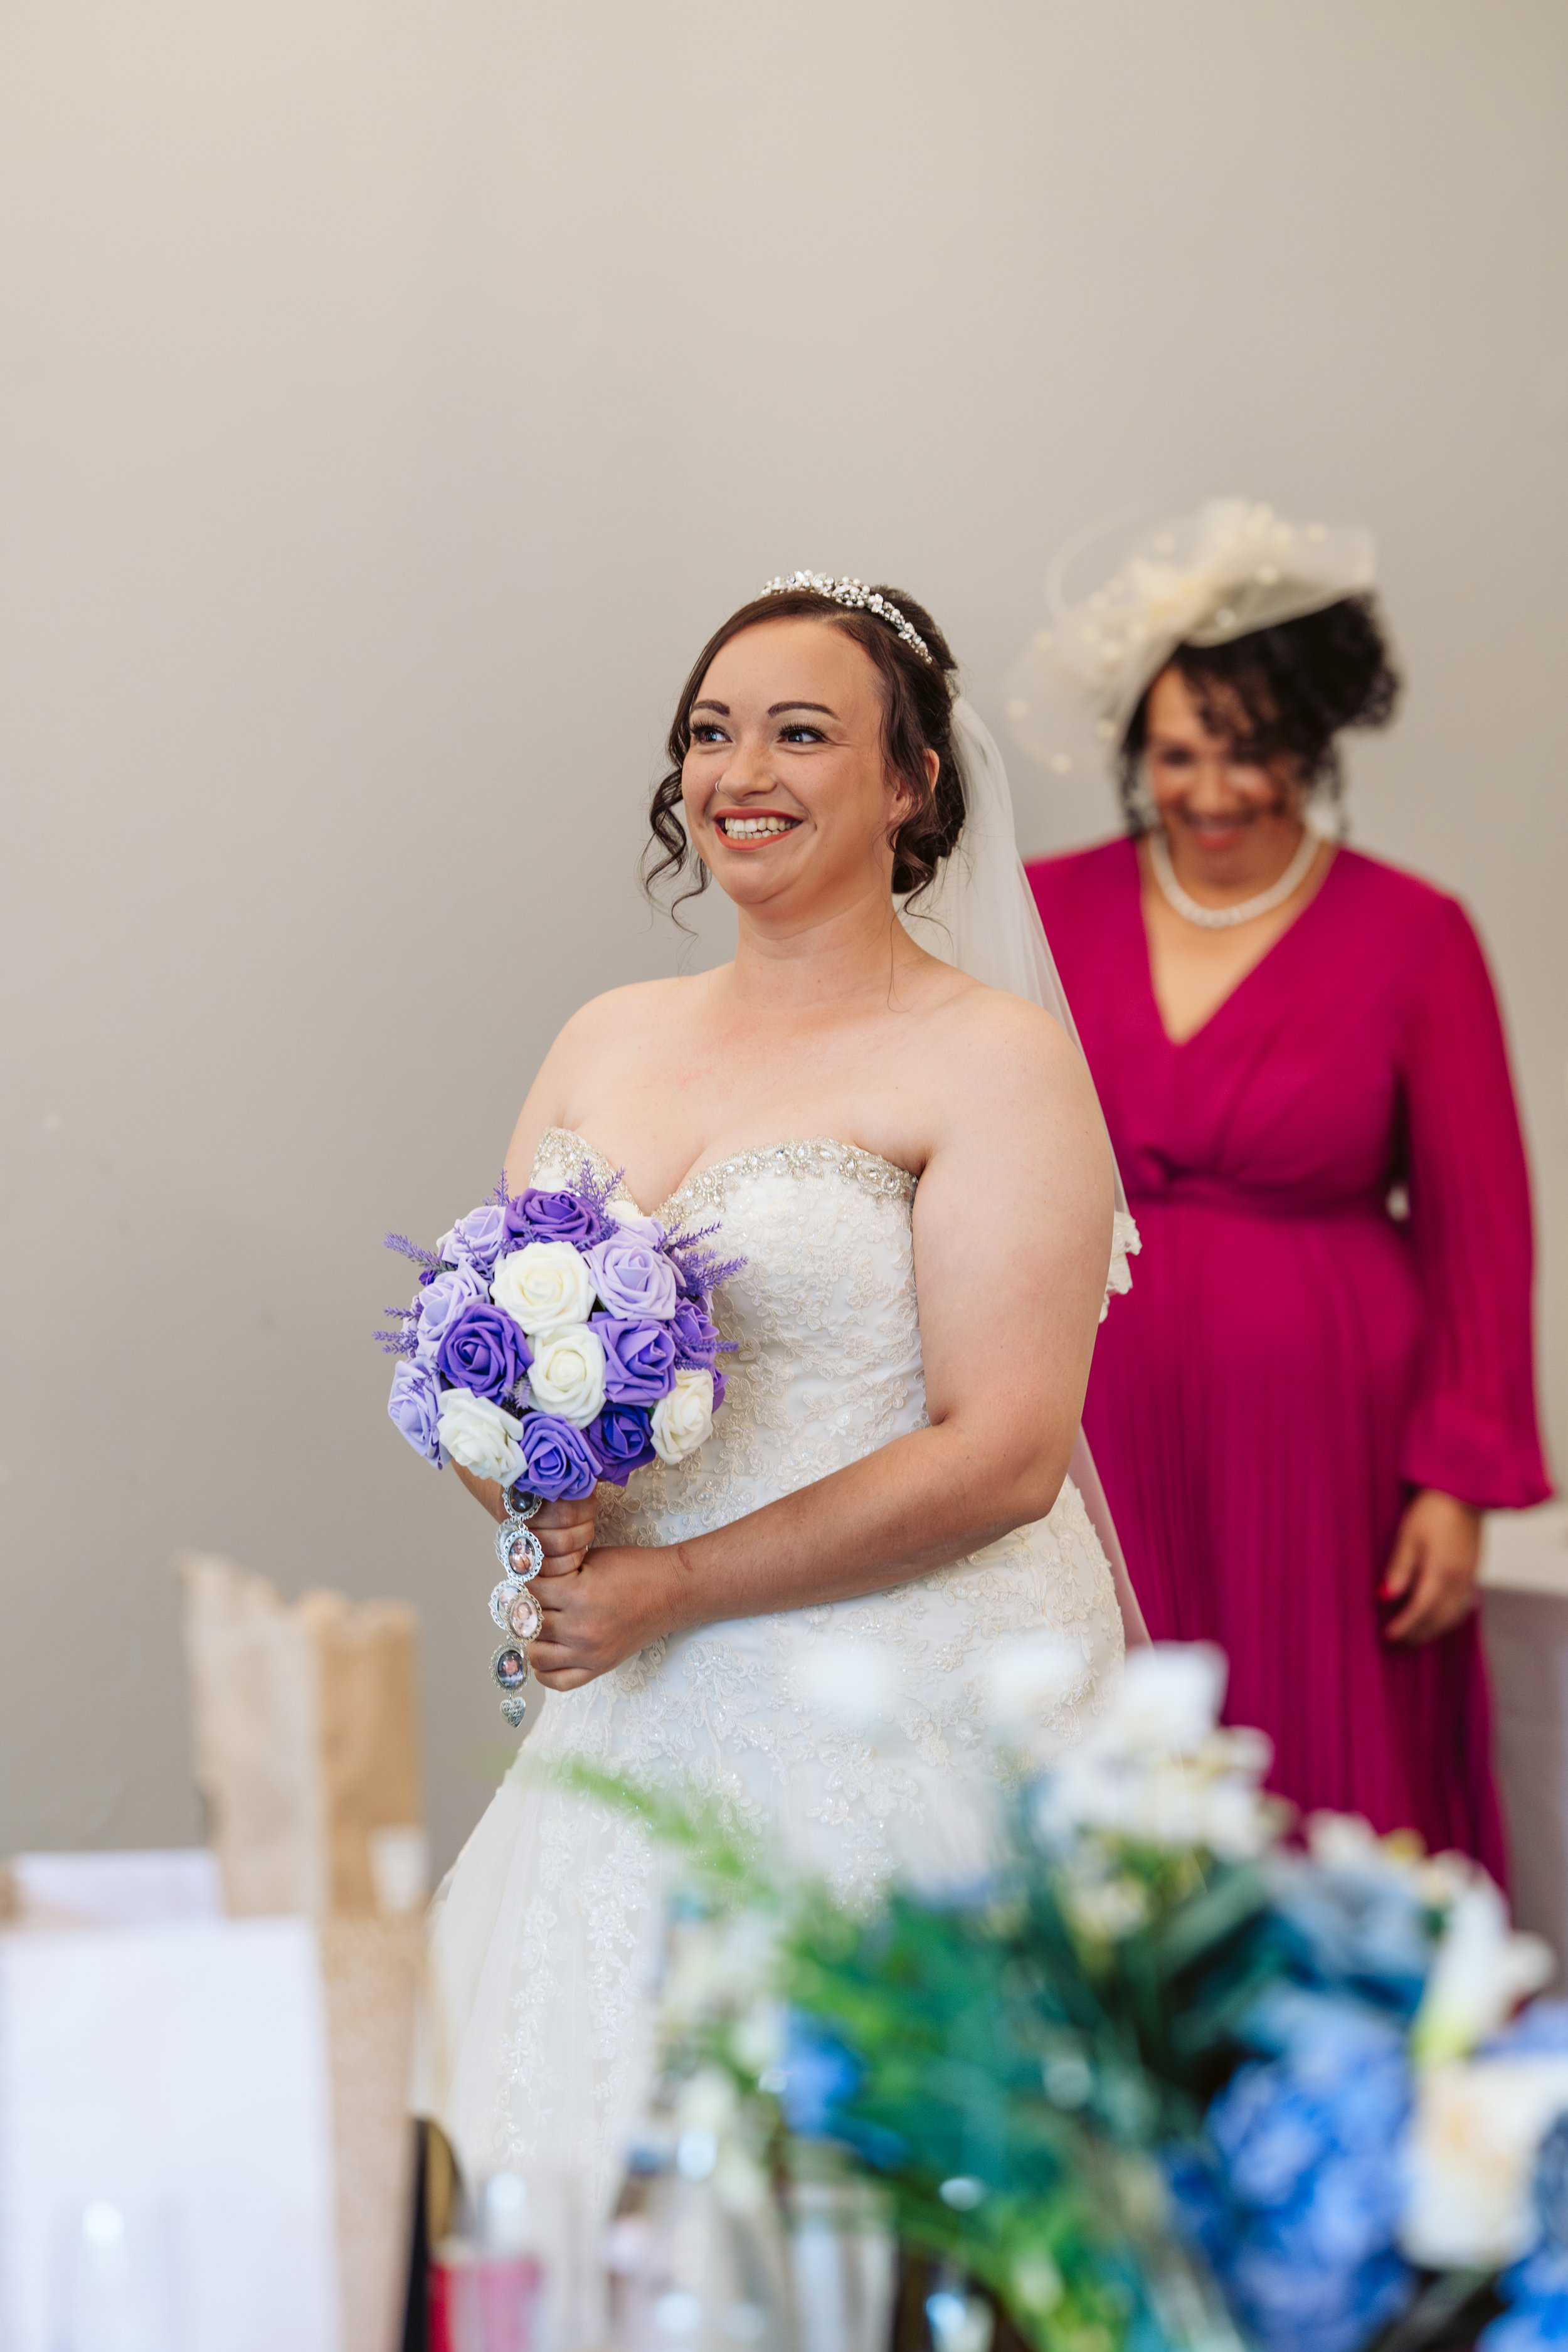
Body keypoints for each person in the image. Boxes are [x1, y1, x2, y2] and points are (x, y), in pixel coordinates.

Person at [421, 575, 1138, 2227]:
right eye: (710, 729)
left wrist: (672, 1583)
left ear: (910, 785)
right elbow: (508, 1360)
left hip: (903, 1693)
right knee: (574, 2191)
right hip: (635, 1687)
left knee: (869, 2224)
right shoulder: (605, 1033)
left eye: (802, 731)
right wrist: (548, 1502)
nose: (741, 768)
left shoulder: (995, 1060)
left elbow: (1006, 1448)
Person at [1016, 499, 1552, 1877]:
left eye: (1251, 754)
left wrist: (1456, 1482)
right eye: (1180, 753)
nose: (1213, 792)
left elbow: (1479, 1234)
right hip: (1090, 1426)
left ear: (1314, 745)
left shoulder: (1412, 936)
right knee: (1107, 1769)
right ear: (1137, 752)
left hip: (1334, 1450)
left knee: (1323, 1775)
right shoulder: (1039, 916)